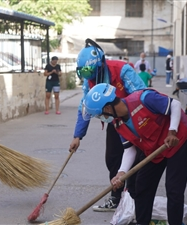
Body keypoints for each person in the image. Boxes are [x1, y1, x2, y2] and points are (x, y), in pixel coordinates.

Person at [83, 83, 187, 225]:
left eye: (100, 115)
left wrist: (172, 131)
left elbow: (175, 105)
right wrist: (121, 173)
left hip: (177, 141)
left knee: (174, 190)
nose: (102, 118)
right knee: (142, 186)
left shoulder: (143, 99)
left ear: (108, 108)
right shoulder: (118, 123)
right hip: (155, 149)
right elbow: (130, 149)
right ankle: (142, 222)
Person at [70, 38, 146, 212]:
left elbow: (141, 96)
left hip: (133, 121)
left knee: (135, 161)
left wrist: (133, 122)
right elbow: (85, 106)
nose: (88, 76)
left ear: (100, 64)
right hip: (113, 122)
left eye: (90, 70)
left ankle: (134, 201)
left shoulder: (122, 70)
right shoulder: (89, 80)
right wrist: (77, 136)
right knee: (112, 159)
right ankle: (116, 199)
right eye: (84, 71)